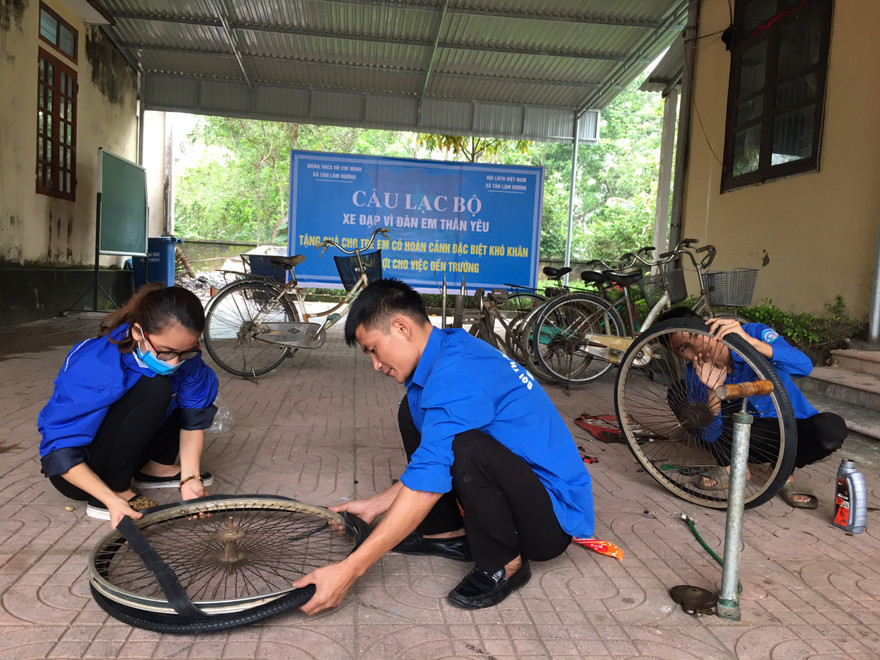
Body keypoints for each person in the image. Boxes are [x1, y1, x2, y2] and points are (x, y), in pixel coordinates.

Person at [293, 278, 594, 614]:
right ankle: (444, 532)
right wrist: (374, 506)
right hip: (520, 485)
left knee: (465, 446)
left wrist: (349, 570)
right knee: (415, 411)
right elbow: (431, 459)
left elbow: (428, 481)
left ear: (401, 327)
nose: (375, 364)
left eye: (373, 349)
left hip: (550, 521)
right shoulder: (446, 348)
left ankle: (505, 562)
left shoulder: (456, 375)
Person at [38, 283, 219, 527]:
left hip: (129, 454)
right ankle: (116, 489)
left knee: (183, 389)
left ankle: (157, 468)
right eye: (166, 351)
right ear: (137, 332)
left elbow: (192, 420)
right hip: (81, 471)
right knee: (156, 387)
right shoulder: (96, 365)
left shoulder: (187, 358)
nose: (175, 361)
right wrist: (110, 499)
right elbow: (59, 450)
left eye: (184, 352)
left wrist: (190, 479)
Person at [657, 307, 846, 508]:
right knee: (679, 394)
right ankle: (731, 467)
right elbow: (710, 436)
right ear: (679, 356)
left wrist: (750, 343)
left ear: (708, 324)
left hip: (790, 427)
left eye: (696, 335)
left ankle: (782, 471)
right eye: (684, 347)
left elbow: (804, 366)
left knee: (831, 429)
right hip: (745, 437)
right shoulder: (694, 374)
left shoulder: (753, 332)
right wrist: (714, 389)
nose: (698, 347)